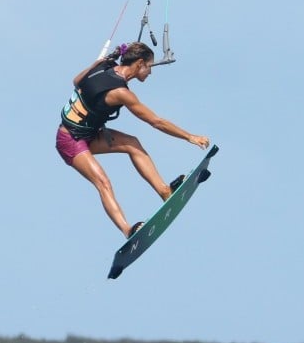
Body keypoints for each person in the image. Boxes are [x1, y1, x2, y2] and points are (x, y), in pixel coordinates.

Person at [56, 42, 210, 239]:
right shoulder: (122, 93)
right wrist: (190, 137)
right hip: (69, 139)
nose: (150, 73)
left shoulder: (106, 67)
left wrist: (97, 64)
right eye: (149, 67)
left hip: (90, 133)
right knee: (103, 182)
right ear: (139, 63)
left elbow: (76, 81)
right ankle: (127, 230)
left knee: (133, 144)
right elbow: (156, 122)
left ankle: (165, 192)